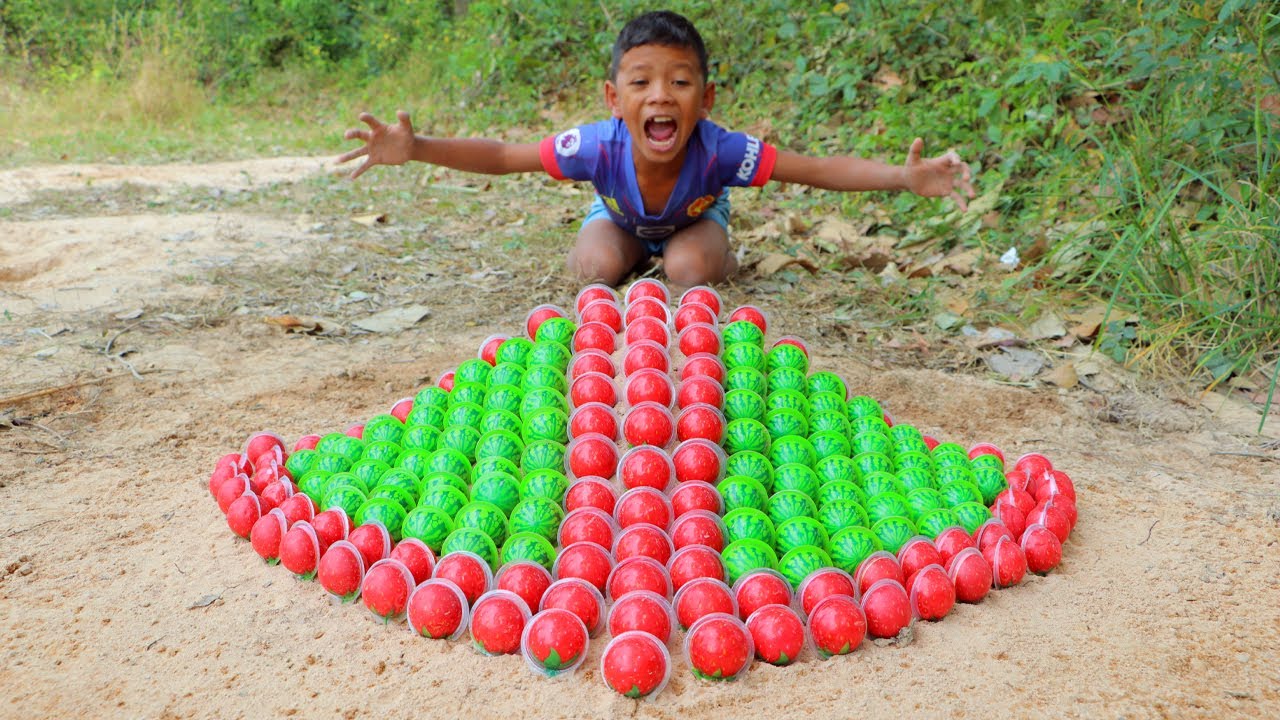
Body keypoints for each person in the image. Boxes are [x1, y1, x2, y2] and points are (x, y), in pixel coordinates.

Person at [339, 10, 974, 289]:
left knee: (688, 270)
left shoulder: (722, 151)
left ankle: (707, 253)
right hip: (617, 219)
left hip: (694, 223)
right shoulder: (594, 146)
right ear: (614, 98)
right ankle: (629, 253)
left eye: (679, 81)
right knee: (592, 271)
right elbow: (506, 156)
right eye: (641, 82)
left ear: (706, 96)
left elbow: (816, 170)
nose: (660, 95)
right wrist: (418, 146)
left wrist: (902, 176)